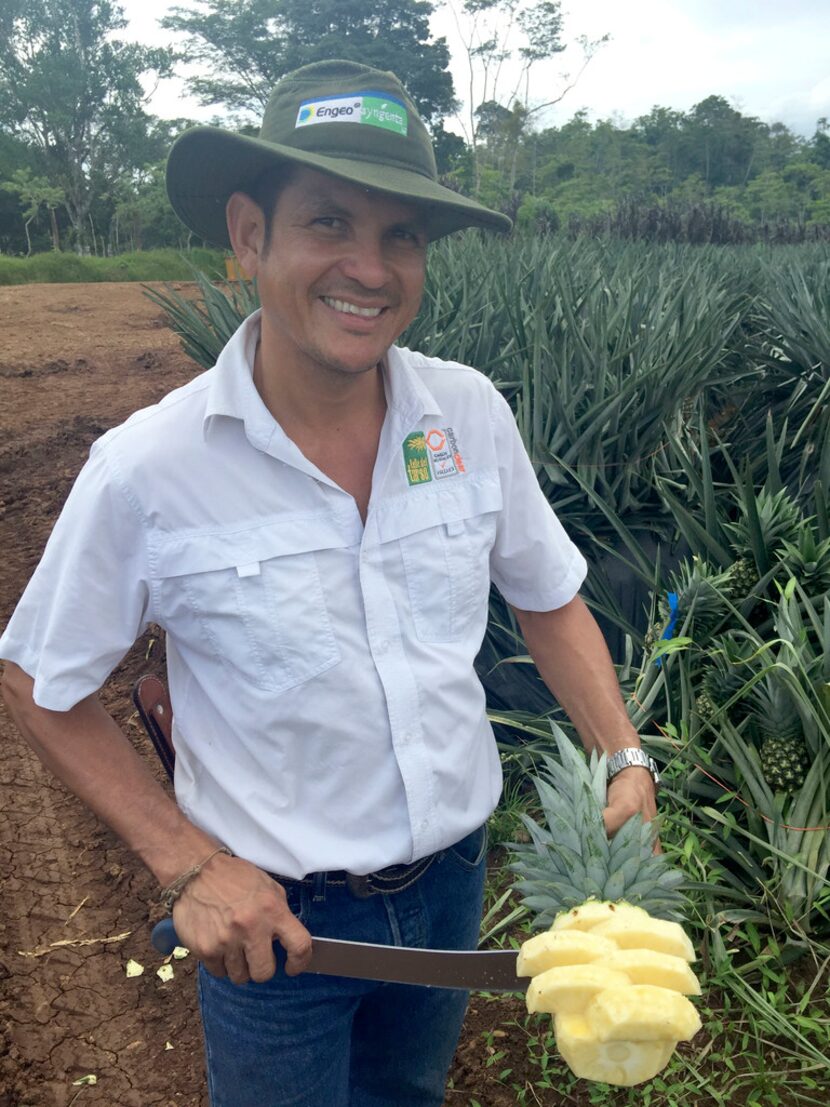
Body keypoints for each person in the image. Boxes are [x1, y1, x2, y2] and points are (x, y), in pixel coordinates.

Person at [0, 59, 657, 1107]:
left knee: (406, 1097)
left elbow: (545, 594)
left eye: (400, 235)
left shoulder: (466, 413)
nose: (370, 266)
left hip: (450, 890)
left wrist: (619, 752)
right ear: (249, 235)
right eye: (327, 223)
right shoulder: (149, 467)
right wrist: (186, 865)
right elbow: (40, 681)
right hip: (278, 921)